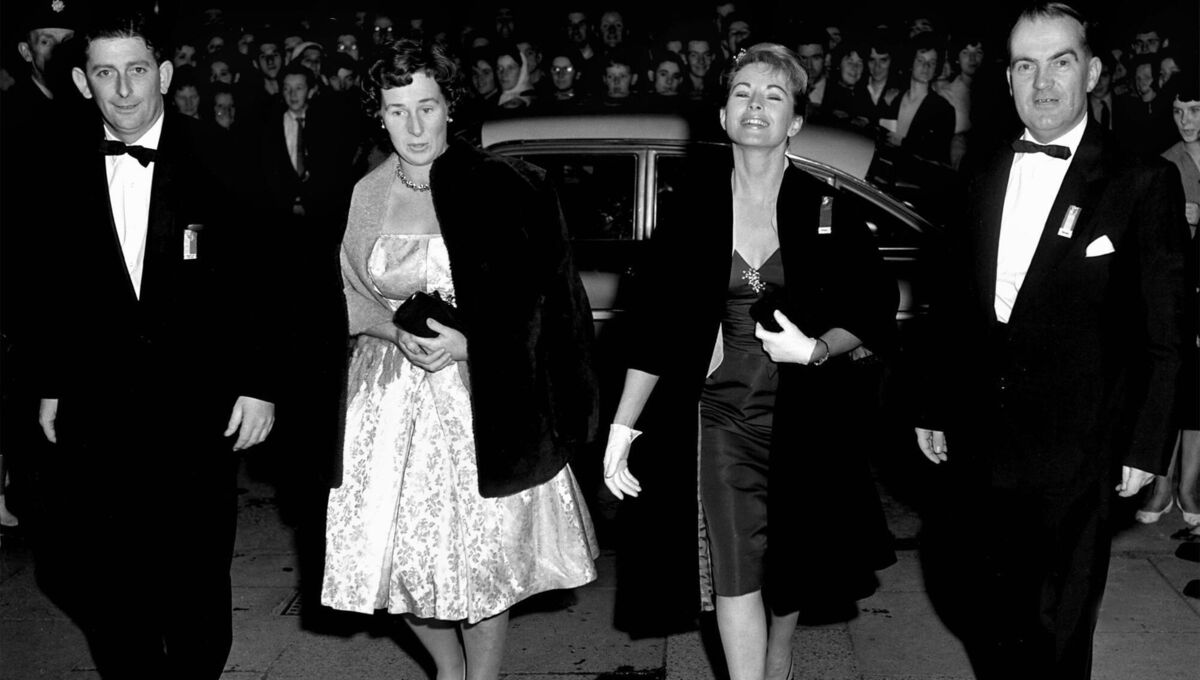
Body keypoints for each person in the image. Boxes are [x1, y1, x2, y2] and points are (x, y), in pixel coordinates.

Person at [603, 42, 897, 680]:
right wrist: (623, 428)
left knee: (789, 563)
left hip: (805, 419)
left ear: (794, 121)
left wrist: (818, 349)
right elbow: (653, 324)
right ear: (723, 115)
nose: (755, 105)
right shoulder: (692, 208)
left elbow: (874, 303)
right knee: (734, 562)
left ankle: (780, 653)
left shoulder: (825, 206)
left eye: (773, 95)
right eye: (742, 93)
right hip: (721, 416)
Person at [912, 4, 1188, 679]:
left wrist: (1146, 444)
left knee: (1059, 630)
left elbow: (1165, 332)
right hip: (982, 443)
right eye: (1026, 66)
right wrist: (934, 402)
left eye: (1060, 62)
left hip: (1082, 449)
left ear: (1090, 71)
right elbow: (949, 307)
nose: (1043, 82)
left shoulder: (1141, 181)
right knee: (989, 617)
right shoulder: (978, 174)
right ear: (1006, 80)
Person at [321, 39, 600, 680]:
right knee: (388, 558)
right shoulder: (365, 194)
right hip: (385, 400)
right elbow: (342, 292)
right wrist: (393, 333)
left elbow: (549, 301)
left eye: (426, 107)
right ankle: (450, 668)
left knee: (483, 556)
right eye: (397, 111)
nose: (414, 127)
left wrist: (472, 344)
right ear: (380, 116)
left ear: (450, 107)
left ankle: (482, 677)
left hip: (483, 394)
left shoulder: (504, 186)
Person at [32, 11, 278, 677]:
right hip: (97, 407)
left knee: (195, 581)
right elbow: (51, 289)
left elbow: (267, 279)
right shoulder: (54, 167)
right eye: (105, 73)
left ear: (164, 74)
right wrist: (52, 385)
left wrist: (260, 383)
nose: (123, 89)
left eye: (137, 70)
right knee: (100, 578)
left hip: (197, 409)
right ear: (83, 83)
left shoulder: (226, 157)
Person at [1137, 80, 1200, 529]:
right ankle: (1161, 484)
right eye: (1178, 113)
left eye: (1194, 111)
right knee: (1173, 384)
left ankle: (1190, 487)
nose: (1186, 122)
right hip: (1182, 290)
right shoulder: (1166, 164)